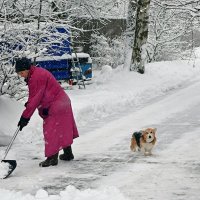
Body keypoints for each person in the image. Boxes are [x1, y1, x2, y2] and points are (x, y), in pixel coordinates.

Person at [15, 57, 79, 167]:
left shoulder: (36, 77)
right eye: (19, 73)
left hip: (56, 105)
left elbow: (35, 99)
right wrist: (30, 104)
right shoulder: (36, 73)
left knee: (51, 131)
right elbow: (37, 95)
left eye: (21, 72)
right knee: (62, 128)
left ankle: (52, 158)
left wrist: (24, 118)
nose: (21, 75)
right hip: (63, 102)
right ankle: (68, 154)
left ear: (27, 69)